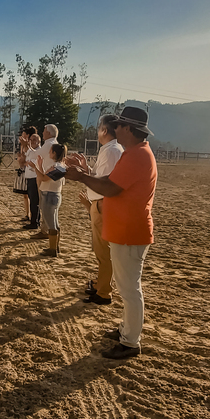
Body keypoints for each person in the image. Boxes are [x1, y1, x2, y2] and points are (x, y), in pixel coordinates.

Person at [64, 105, 157, 360]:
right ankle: (127, 331)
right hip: (126, 230)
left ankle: (130, 342)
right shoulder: (135, 152)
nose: (115, 130)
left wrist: (81, 176)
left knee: (129, 290)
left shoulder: (137, 155)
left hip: (130, 232)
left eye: (119, 126)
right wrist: (84, 174)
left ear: (128, 129)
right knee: (128, 287)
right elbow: (111, 185)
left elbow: (111, 188)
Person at [72, 114, 124, 305]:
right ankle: (101, 284)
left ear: (103, 130)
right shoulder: (109, 150)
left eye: (98, 128)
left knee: (103, 251)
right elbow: (99, 177)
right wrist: (85, 169)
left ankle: (103, 292)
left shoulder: (111, 151)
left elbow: (105, 183)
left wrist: (82, 174)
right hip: (101, 203)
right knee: (100, 250)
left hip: (103, 204)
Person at [29, 143, 67, 257]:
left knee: (52, 223)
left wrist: (35, 167)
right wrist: (39, 166)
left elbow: (44, 178)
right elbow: (44, 176)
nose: (49, 153)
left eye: (50, 151)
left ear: (54, 153)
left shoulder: (58, 167)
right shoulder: (59, 166)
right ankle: (55, 246)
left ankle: (52, 249)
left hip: (50, 196)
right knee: (54, 222)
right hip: (52, 195)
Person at [29, 124, 59, 238]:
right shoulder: (53, 144)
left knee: (46, 207)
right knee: (49, 209)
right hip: (50, 179)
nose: (42, 133)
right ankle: (45, 229)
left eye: (44, 131)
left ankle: (45, 231)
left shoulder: (49, 144)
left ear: (49, 133)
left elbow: (35, 155)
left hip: (46, 180)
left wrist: (27, 147)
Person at [18, 133, 41, 231]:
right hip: (30, 177)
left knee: (35, 201)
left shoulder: (39, 151)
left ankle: (34, 222)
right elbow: (23, 163)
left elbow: (34, 164)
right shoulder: (31, 151)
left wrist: (29, 164)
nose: (32, 141)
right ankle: (34, 220)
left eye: (34, 139)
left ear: (39, 141)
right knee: (32, 200)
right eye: (31, 139)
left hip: (35, 178)